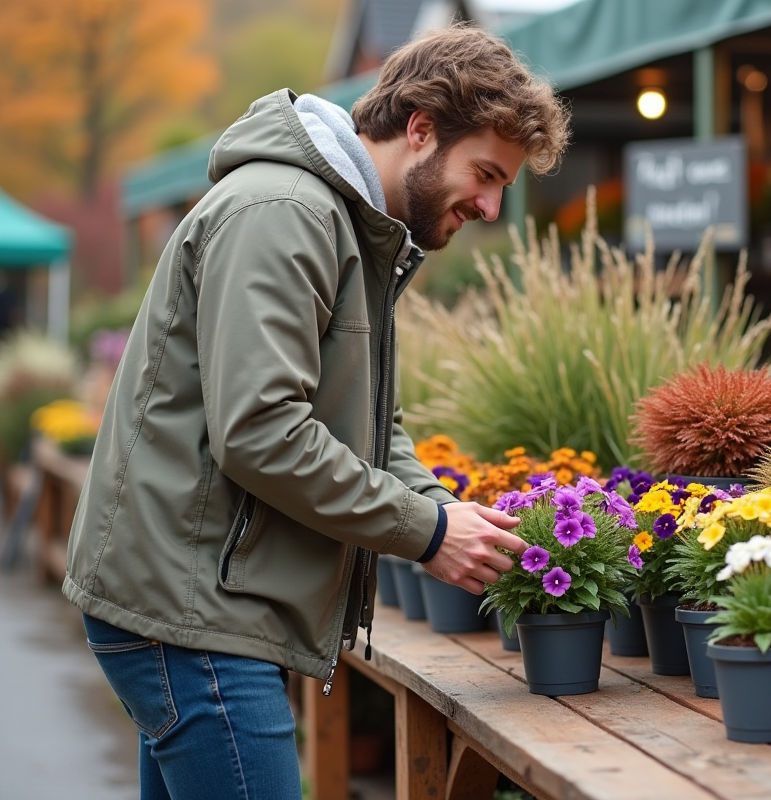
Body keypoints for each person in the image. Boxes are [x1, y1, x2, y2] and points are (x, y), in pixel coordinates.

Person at [62, 23, 570, 800]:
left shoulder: (352, 227)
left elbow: (366, 424)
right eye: (487, 173)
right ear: (421, 129)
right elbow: (260, 433)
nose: (494, 206)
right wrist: (426, 532)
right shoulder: (286, 212)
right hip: (192, 607)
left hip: (204, 598)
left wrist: (441, 512)